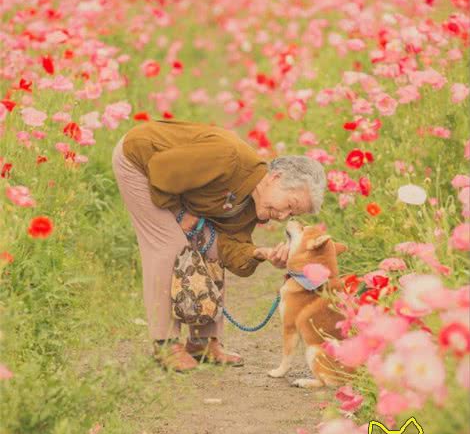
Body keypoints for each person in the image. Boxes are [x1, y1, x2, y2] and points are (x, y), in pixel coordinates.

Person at [111, 118, 326, 372]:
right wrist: (180, 212)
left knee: (210, 249)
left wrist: (261, 253)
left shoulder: (256, 205)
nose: (282, 216)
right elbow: (160, 170)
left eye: (291, 214)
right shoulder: (228, 157)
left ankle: (202, 342)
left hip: (170, 182)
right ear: (275, 177)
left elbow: (228, 247)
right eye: (289, 204)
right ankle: (165, 344)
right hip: (140, 163)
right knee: (170, 246)